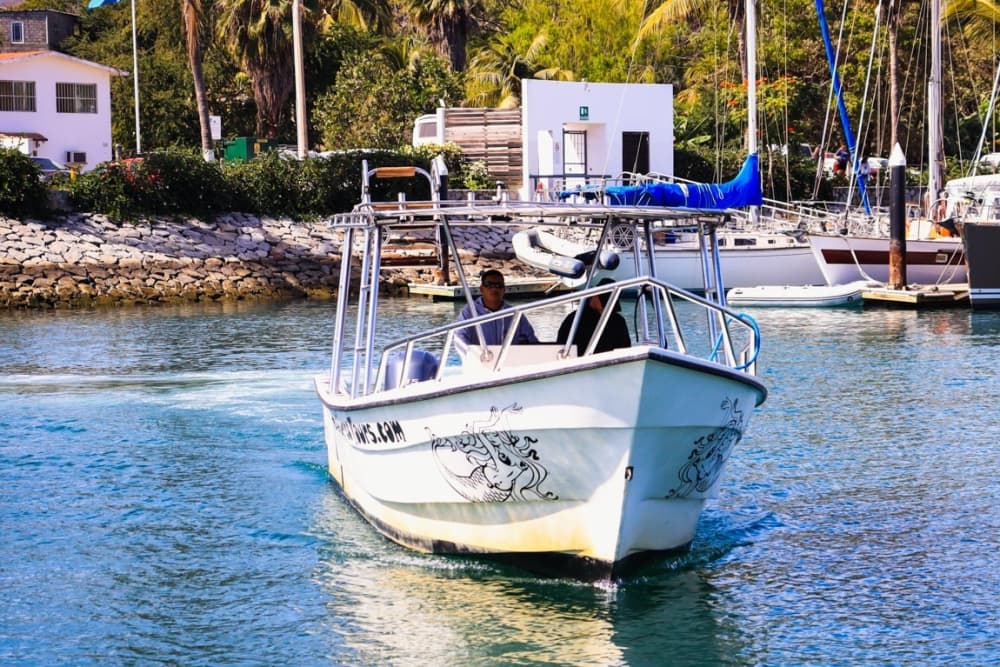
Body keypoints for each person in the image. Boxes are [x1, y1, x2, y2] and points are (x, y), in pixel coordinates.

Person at [455, 269, 538, 346]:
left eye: (499, 285)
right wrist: (474, 356)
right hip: (481, 359)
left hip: (510, 360)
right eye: (489, 285)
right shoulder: (469, 312)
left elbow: (532, 340)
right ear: (481, 289)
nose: (494, 288)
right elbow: (460, 338)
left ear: (504, 289)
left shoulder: (515, 315)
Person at [556, 278, 631, 354]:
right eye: (604, 303)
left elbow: (625, 349)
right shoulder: (573, 320)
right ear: (595, 295)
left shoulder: (618, 321)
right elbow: (560, 348)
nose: (606, 309)